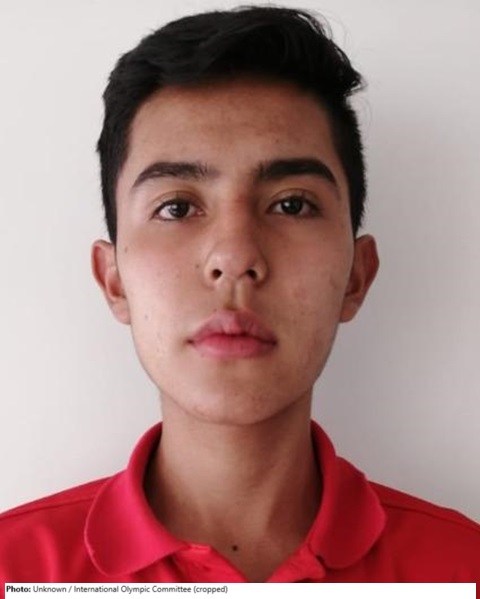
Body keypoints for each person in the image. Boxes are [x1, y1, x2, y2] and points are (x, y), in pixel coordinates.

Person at [0, 6, 479, 584]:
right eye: (177, 208)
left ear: (357, 275)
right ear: (114, 280)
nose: (235, 257)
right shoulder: (14, 572)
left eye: (292, 204)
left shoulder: (463, 572)